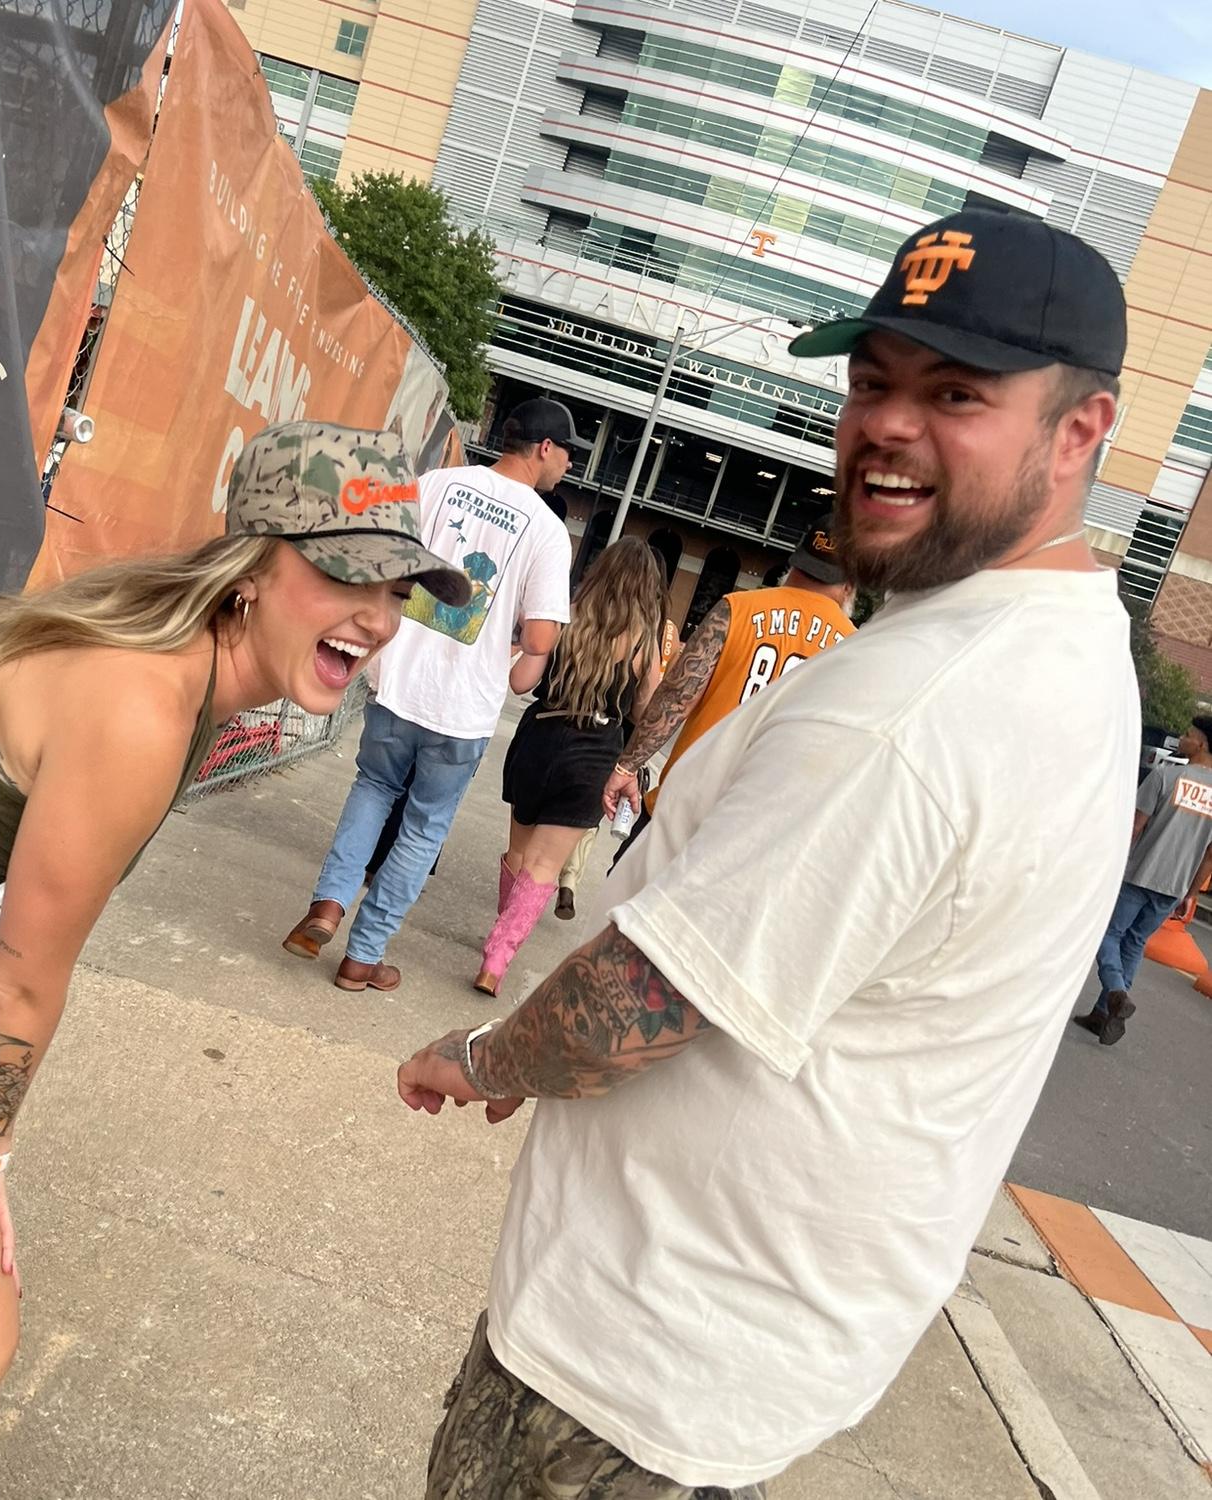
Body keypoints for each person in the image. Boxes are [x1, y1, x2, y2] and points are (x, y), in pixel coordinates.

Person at [396, 207, 1137, 1497]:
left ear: (1081, 430)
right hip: (732, 1337)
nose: (887, 426)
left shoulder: (919, 705)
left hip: (638, 1358)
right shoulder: (1051, 645)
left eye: (955, 393)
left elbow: (648, 998)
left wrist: (482, 1057)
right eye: (872, 382)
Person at [0, 421, 465, 1500]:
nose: (378, 618)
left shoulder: (180, 662)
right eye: (346, 575)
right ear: (251, 570)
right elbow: (23, 979)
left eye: (397, 590)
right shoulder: (144, 702)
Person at [283, 397, 579, 992]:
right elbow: (541, 637)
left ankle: (328, 905)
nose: (570, 466)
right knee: (422, 829)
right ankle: (363, 957)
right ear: (545, 448)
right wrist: (506, 634)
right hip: (462, 709)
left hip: (397, 680)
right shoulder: (547, 530)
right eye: (569, 453)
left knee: (373, 788)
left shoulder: (435, 484)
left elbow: (383, 558)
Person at [476, 538, 666, 995]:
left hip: (540, 739)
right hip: (595, 754)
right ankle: (496, 960)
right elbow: (648, 712)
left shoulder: (565, 615)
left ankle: (502, 929)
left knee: (519, 851)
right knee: (545, 865)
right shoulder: (644, 642)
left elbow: (522, 680)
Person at [601, 516, 854, 855]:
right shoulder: (854, 650)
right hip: (759, 838)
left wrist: (627, 766)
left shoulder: (738, 609)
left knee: (629, 890)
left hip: (682, 811)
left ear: (795, 562)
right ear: (850, 583)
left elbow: (676, 697)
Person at [1075, 714, 1212, 1046]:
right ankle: (1103, 1015)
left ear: (1201, 744)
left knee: (1108, 933)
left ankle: (1116, 992)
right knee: (1135, 943)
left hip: (1140, 873)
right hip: (1175, 884)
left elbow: (1135, 826)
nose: (1181, 738)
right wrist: (1191, 893)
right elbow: (1210, 855)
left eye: (1187, 734)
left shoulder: (1166, 775)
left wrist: (1112, 863)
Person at [555, 610, 680, 921]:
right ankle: (570, 877)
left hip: (591, 721)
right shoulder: (667, 632)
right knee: (595, 809)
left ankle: (556, 869)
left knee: (574, 802)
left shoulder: (608, 616)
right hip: (627, 736)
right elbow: (659, 695)